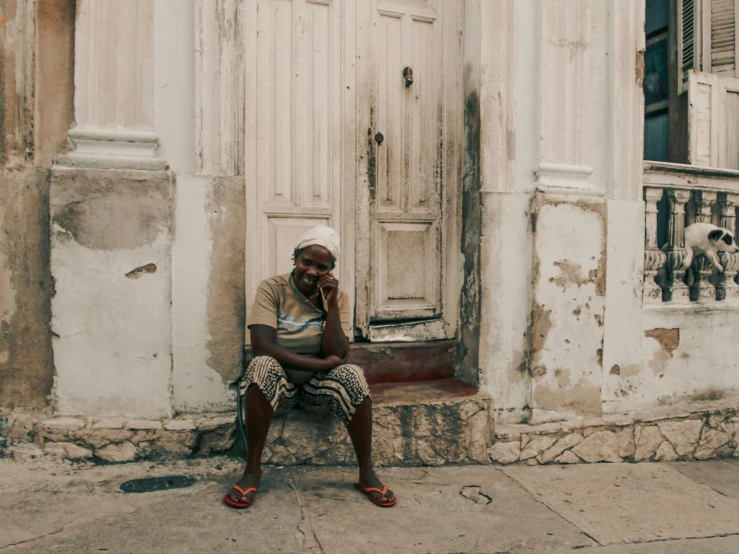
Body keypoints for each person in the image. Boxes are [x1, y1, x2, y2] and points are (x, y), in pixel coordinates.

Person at [224, 225, 396, 509]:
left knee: (353, 375)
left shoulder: (337, 297)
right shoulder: (272, 288)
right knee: (262, 365)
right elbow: (262, 346)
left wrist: (331, 306)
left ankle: (366, 473)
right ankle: (252, 470)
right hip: (279, 390)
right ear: (295, 258)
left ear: (330, 270)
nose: (312, 271)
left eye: (321, 266)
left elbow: (338, 354)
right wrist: (317, 364)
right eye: (306, 262)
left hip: (316, 391)